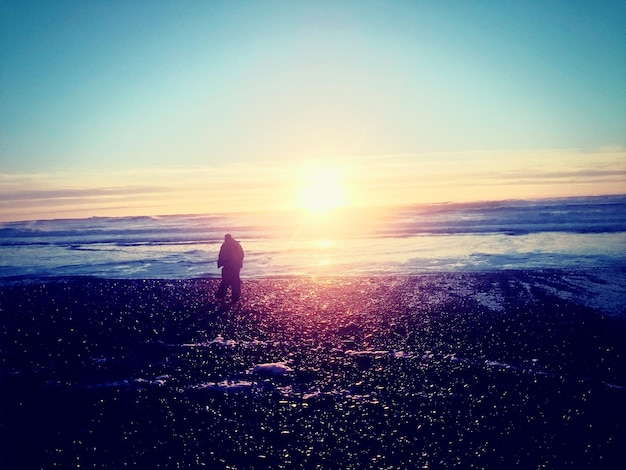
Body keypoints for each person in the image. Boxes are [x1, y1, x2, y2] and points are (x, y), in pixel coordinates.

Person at [216, 233, 244, 302]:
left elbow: (222, 255)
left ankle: (221, 295)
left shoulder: (226, 245)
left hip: (228, 265)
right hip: (236, 265)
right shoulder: (237, 244)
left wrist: (220, 263)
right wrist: (239, 263)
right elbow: (242, 254)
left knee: (225, 280)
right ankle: (235, 296)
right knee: (235, 281)